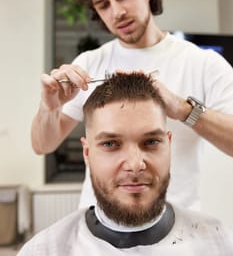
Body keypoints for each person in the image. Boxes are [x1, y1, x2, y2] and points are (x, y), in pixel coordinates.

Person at [31, 0, 233, 210]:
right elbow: (42, 145)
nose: (117, 12)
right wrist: (49, 108)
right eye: (103, 5)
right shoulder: (89, 64)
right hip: (98, 236)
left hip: (176, 235)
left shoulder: (203, 63)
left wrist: (183, 109)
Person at [19, 73, 233, 255]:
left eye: (151, 142)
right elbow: (41, 143)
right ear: (87, 153)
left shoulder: (217, 242)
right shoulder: (46, 250)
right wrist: (48, 109)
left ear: (168, 145)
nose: (135, 164)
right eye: (111, 144)